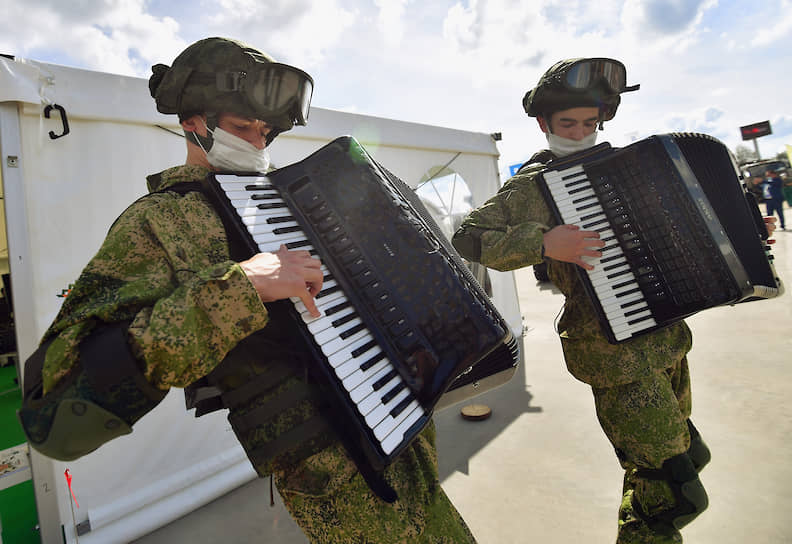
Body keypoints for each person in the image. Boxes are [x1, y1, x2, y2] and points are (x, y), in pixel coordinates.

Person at [18, 37, 476, 544]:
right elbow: (52, 415)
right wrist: (241, 289)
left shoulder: (298, 194)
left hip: (405, 427)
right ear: (193, 121)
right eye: (241, 128)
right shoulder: (159, 221)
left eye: (267, 133)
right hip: (332, 470)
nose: (258, 145)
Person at [452, 58, 713, 543]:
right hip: (613, 356)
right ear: (543, 123)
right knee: (672, 492)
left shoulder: (628, 166)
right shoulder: (534, 184)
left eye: (589, 123)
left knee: (679, 462)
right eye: (567, 123)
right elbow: (468, 238)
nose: (579, 134)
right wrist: (544, 242)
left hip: (667, 341)